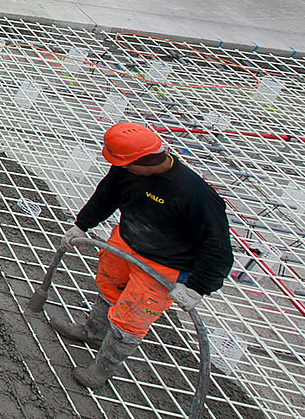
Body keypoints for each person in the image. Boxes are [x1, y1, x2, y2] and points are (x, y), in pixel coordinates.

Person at [50, 122, 234, 388]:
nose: (120, 168)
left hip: (165, 267)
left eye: (124, 163)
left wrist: (197, 288)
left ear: (142, 159)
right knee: (108, 289)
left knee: (131, 319)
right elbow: (106, 196)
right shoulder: (126, 169)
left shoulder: (196, 195)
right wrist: (82, 224)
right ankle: (93, 332)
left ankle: (101, 371)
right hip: (125, 244)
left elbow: (217, 249)